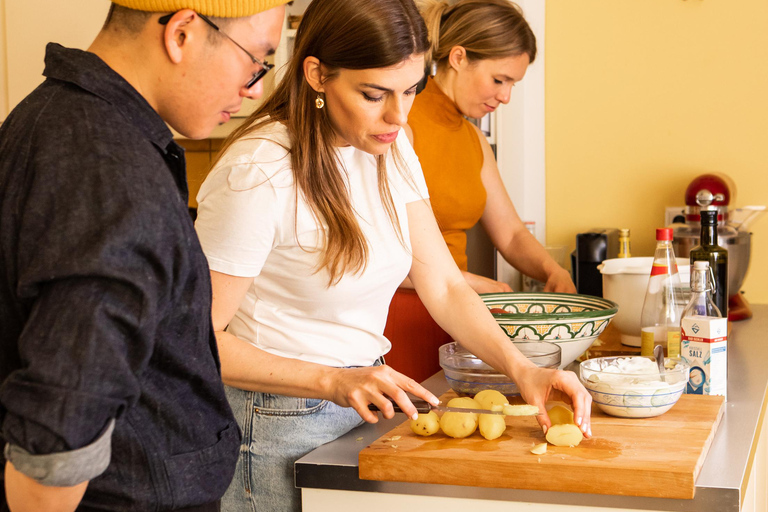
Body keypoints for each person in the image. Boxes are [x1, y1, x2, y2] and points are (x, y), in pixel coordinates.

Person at [194, 0, 592, 509]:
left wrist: (523, 370)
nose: (398, 116)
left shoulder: (391, 147)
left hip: (364, 406)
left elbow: (445, 286)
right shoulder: (260, 170)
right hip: (275, 419)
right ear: (317, 74)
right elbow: (198, 340)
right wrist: (333, 380)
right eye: (374, 94)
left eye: (411, 90)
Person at [0, 1, 287, 510]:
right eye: (256, 60)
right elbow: (65, 424)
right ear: (182, 33)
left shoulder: (52, 114)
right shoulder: (111, 173)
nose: (255, 89)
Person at [384, 0, 577, 381]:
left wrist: (552, 271)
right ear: (458, 57)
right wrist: (484, 286)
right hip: (399, 318)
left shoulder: (473, 138)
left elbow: (511, 233)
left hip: (457, 316)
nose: (505, 97)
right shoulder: (398, 125)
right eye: (499, 79)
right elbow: (385, 250)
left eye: (512, 85)